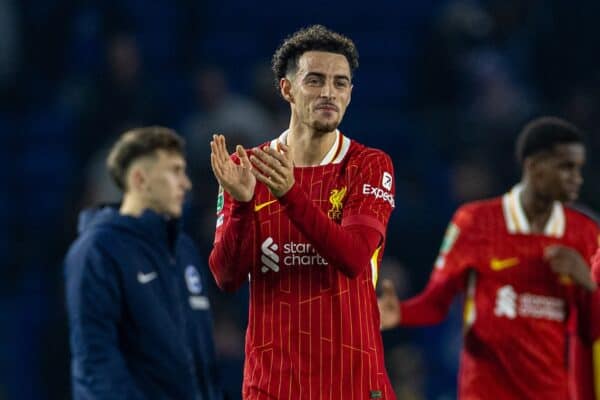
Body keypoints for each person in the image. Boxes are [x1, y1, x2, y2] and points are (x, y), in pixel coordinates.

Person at [209, 25, 396, 399]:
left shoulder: (369, 165)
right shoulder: (246, 168)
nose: (329, 92)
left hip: (353, 383)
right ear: (287, 89)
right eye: (315, 80)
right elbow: (226, 277)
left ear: (350, 95)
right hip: (273, 385)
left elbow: (355, 256)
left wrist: (289, 194)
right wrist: (244, 205)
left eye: (340, 83)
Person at [378, 116, 600, 399]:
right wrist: (403, 312)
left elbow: (592, 332)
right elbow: (437, 301)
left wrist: (586, 282)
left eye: (578, 169)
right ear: (534, 167)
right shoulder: (475, 222)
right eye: (565, 168)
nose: (576, 179)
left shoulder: (585, 233)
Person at [64, 127, 222, 400]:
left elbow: (201, 361)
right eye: (174, 171)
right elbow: (96, 363)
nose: (186, 183)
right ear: (140, 180)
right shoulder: (97, 251)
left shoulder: (183, 248)